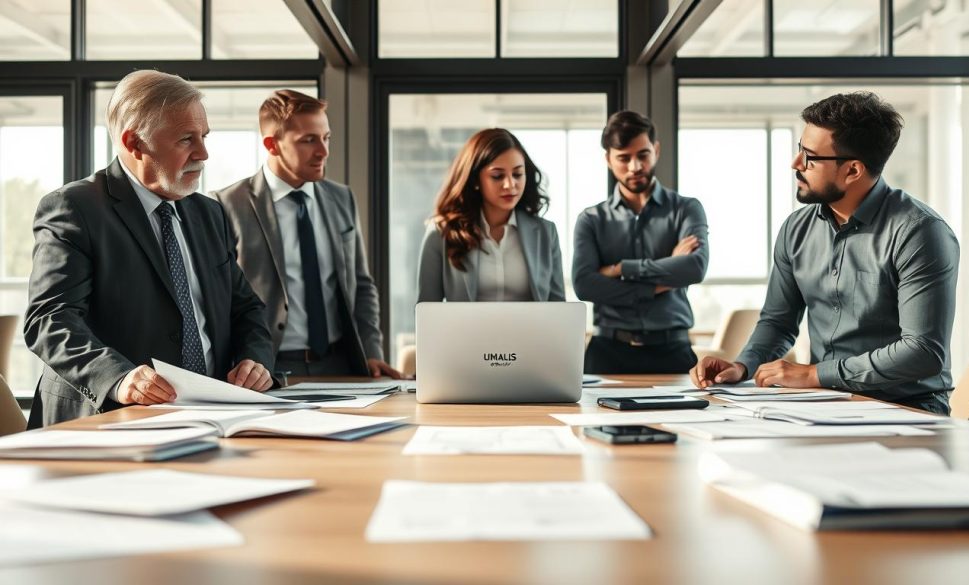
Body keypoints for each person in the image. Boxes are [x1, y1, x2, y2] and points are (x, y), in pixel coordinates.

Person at [24, 70, 274, 427]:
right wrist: (119, 377)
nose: (203, 152)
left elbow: (245, 308)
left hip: (211, 418)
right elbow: (50, 321)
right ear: (135, 143)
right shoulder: (74, 207)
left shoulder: (208, 212)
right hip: (105, 422)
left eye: (204, 136)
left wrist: (255, 360)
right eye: (187, 139)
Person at [690, 92, 959, 415]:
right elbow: (779, 321)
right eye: (799, 149)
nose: (795, 164)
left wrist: (815, 373)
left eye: (810, 157)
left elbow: (923, 352)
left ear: (853, 171)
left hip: (909, 406)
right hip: (827, 402)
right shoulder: (797, 229)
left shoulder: (919, 232)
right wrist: (743, 366)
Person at [213, 90, 399, 378]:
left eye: (326, 138)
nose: (323, 151)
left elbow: (361, 284)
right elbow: (223, 300)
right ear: (272, 145)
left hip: (342, 364)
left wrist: (372, 351)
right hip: (268, 368)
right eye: (308, 140)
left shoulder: (341, 198)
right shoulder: (227, 205)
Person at [572, 111, 709, 375]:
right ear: (608, 160)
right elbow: (585, 285)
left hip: (674, 351)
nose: (635, 167)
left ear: (655, 150)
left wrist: (621, 269)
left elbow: (694, 268)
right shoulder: (590, 219)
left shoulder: (686, 209)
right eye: (624, 158)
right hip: (607, 353)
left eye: (643, 155)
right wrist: (660, 281)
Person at [417, 128, 564, 303]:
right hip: (466, 332)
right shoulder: (441, 232)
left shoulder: (546, 232)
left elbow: (557, 307)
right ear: (475, 180)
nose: (510, 185)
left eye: (517, 174)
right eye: (497, 176)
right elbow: (427, 309)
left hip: (530, 331)